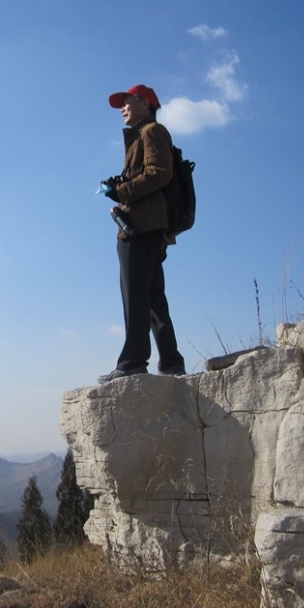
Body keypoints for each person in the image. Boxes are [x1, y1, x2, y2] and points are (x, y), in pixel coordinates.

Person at [97, 84, 185, 383]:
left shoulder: (151, 132)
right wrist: (120, 186)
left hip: (140, 228)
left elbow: (159, 173)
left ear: (146, 104)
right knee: (153, 299)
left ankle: (133, 361)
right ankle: (172, 362)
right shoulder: (144, 134)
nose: (122, 107)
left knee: (135, 295)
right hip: (148, 226)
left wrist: (120, 191)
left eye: (127, 101)